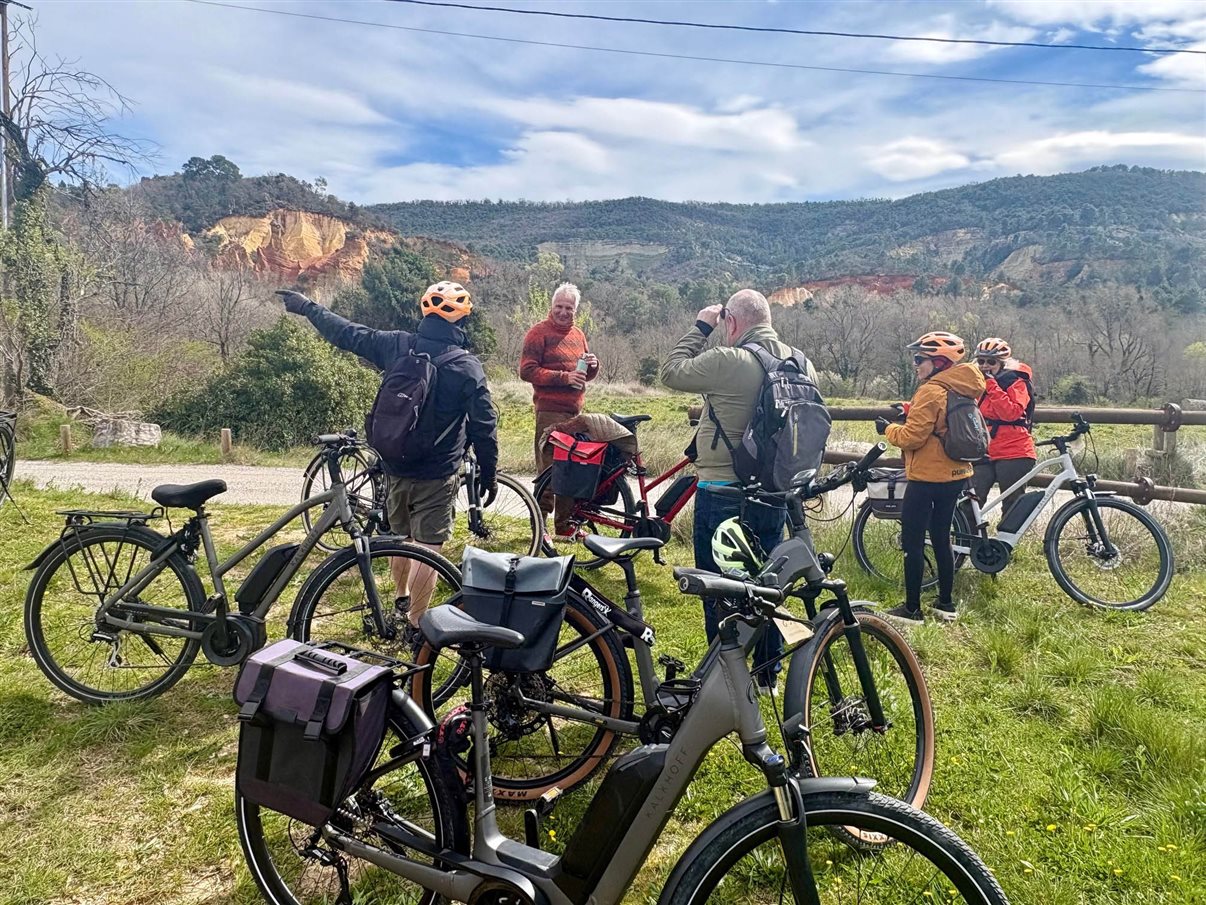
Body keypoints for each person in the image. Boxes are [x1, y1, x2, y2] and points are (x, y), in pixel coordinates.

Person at [278, 283, 498, 645]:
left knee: (399, 538)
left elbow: (347, 333)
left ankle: (400, 599)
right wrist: (487, 473)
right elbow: (484, 427)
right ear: (463, 316)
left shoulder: (396, 345)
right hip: (438, 473)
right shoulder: (466, 366)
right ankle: (415, 624)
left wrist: (306, 307)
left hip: (393, 464)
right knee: (429, 547)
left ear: (424, 312)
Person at [660, 289, 817, 694]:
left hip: (723, 492)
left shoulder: (728, 360)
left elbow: (671, 371)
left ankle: (726, 679)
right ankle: (767, 675)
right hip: (773, 495)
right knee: (768, 585)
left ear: (731, 321)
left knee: (719, 589)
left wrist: (701, 326)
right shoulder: (801, 363)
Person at [877, 331, 985, 624]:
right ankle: (945, 604)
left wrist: (887, 429)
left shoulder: (930, 390)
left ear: (938, 361)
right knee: (941, 536)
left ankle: (912, 609)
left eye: (919, 359)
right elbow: (943, 419)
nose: (915, 364)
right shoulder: (963, 386)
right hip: (957, 473)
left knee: (912, 541)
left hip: (926, 476)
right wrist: (912, 411)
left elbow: (912, 437)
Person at [519, 282, 598, 537]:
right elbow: (527, 371)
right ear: (551, 306)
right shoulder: (537, 333)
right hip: (549, 411)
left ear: (576, 309)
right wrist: (564, 378)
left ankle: (564, 526)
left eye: (569, 308)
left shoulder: (578, 334)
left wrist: (593, 366)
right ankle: (539, 527)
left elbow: (583, 375)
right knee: (549, 471)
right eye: (559, 306)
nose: (563, 312)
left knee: (571, 472)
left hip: (575, 413)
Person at [973, 337, 1036, 522]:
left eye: (991, 362)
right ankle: (965, 546)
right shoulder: (976, 383)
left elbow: (1011, 413)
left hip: (1014, 451)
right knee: (970, 502)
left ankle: (1005, 546)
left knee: (1012, 505)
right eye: (981, 361)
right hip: (984, 450)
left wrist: (992, 385)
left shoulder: (1016, 381)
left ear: (1003, 363)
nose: (985, 365)